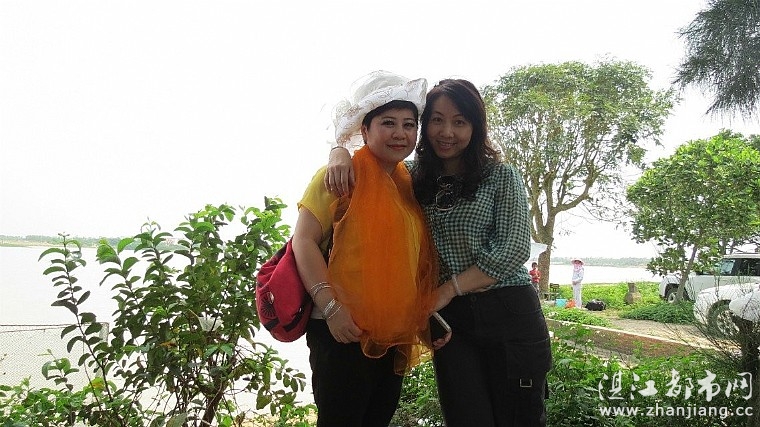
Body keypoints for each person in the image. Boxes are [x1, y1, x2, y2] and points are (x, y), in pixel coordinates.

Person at [326, 78, 552, 427]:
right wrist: (338, 150)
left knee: (520, 418)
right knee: (465, 418)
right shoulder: (411, 178)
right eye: (436, 120)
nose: (447, 132)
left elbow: (513, 249)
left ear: (475, 127)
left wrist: (448, 289)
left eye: (460, 121)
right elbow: (373, 161)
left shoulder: (500, 176)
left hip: (508, 311)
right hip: (452, 323)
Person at [291, 71, 443, 427]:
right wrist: (331, 308)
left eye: (409, 124)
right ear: (365, 129)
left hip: (391, 335)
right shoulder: (339, 176)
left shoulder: (407, 184)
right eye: (388, 123)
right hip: (341, 329)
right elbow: (303, 241)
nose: (400, 133)